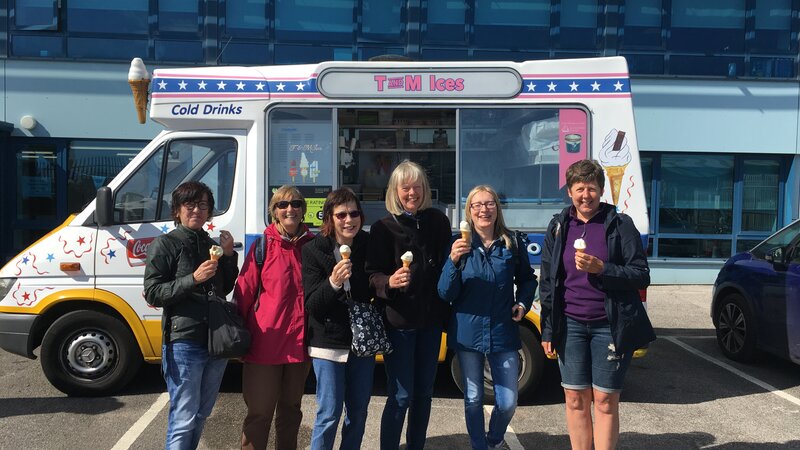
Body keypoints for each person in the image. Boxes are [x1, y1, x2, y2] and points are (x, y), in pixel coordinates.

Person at [540, 159, 655, 450]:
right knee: (575, 398)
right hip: (571, 325)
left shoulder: (619, 224)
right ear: (569, 191)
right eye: (579, 188)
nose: (585, 195)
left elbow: (641, 274)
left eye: (592, 188)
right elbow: (548, 281)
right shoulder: (558, 226)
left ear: (602, 190)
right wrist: (548, 330)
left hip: (609, 325)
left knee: (605, 400)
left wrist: (602, 268)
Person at [437, 185, 538, 450]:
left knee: (507, 401)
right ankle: (478, 445)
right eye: (477, 205)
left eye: (489, 203)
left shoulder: (512, 243)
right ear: (469, 211)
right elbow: (445, 292)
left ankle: (494, 440)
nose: (484, 209)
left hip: (503, 330)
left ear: (497, 208)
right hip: (468, 332)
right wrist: (453, 261)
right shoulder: (458, 243)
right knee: (473, 397)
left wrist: (523, 303)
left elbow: (528, 280)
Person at [144, 181, 239, 450]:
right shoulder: (165, 244)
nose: (197, 210)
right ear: (177, 210)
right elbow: (152, 292)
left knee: (201, 413)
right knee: (184, 416)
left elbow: (224, 288)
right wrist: (192, 279)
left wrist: (229, 257)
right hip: (184, 340)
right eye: (190, 204)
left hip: (215, 341)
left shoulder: (212, 245)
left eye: (203, 205)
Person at [365, 160, 452, 450]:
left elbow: (444, 269)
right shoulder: (383, 228)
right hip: (398, 323)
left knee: (424, 394)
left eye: (417, 187)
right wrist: (388, 282)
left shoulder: (438, 222)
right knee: (401, 395)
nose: (412, 193)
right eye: (406, 188)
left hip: (429, 322)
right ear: (395, 191)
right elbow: (370, 274)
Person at [234, 185, 314, 450]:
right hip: (264, 347)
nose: (289, 209)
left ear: (303, 210)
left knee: (291, 413)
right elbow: (243, 293)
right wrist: (237, 340)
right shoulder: (263, 246)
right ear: (274, 212)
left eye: (296, 204)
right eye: (282, 205)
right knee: (259, 415)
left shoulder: (312, 247)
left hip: (299, 347)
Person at [302, 187, 374, 450]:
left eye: (354, 213)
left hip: (361, 342)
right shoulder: (313, 250)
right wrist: (333, 282)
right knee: (329, 413)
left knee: (358, 412)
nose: (348, 220)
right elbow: (313, 305)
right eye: (341, 214)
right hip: (328, 342)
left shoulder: (368, 245)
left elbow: (374, 288)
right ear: (330, 218)